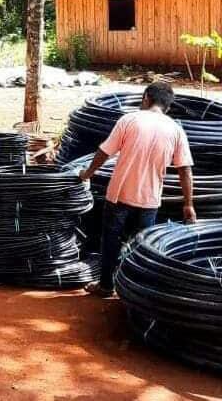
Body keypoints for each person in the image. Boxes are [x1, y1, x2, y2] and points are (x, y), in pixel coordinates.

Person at [78, 82, 196, 297]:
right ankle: (136, 291)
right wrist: (188, 204)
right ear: (168, 106)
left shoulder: (129, 120)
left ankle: (106, 286)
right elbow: (185, 170)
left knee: (111, 241)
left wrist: (88, 173)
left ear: (145, 98)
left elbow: (105, 152)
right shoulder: (176, 130)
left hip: (119, 196)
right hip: (149, 201)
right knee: (142, 247)